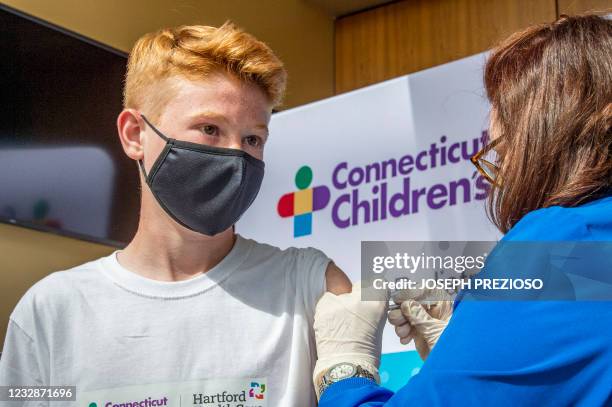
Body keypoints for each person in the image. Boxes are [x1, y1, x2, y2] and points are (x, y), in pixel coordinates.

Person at [0, 22, 351, 406]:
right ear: (135, 134)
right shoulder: (51, 312)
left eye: (253, 139)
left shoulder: (308, 286)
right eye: (210, 129)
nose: (235, 155)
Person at [313, 13, 612, 406]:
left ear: (549, 141)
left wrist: (344, 370)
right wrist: (465, 341)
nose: (498, 177)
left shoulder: (560, 245)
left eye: (502, 154)